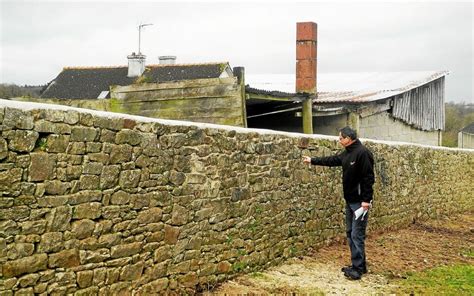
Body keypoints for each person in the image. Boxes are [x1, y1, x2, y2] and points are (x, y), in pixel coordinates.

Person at [303, 126, 375, 280]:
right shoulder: (348, 153)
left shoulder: (362, 153)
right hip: (350, 201)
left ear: (349, 139)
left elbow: (368, 178)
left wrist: (366, 201)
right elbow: (333, 160)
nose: (339, 140)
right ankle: (359, 265)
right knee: (350, 233)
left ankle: (358, 269)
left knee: (357, 235)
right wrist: (312, 160)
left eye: (341, 137)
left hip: (360, 203)